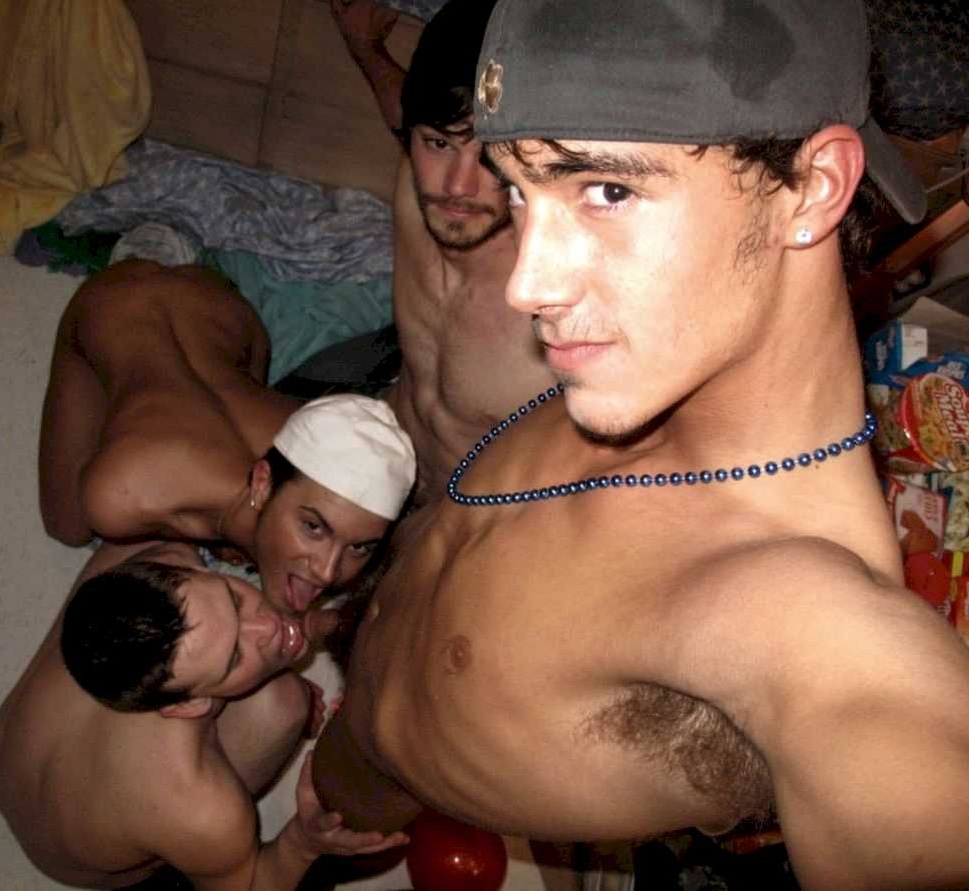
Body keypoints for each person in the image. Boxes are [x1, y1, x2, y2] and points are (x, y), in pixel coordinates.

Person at [310, 1, 969, 888]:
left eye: (607, 191)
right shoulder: (650, 356)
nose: (526, 285)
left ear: (811, 189)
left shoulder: (809, 613)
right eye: (520, 189)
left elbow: (898, 752)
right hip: (365, 650)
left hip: (380, 775)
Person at [0, 539, 408, 890]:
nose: (267, 627)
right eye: (234, 656)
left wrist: (307, 627)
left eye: (235, 600)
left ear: (190, 568)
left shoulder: (156, 552)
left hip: (7, 759)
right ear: (188, 706)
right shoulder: (196, 806)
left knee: (124, 547)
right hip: (75, 858)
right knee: (283, 704)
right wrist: (302, 843)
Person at [38, 258, 416, 615]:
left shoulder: (311, 431)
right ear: (262, 483)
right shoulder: (122, 494)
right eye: (313, 527)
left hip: (224, 308)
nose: (327, 572)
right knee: (68, 527)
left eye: (359, 547)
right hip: (115, 299)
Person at [321, 0, 555, 503]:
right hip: (383, 434)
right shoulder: (419, 173)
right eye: (438, 144)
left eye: (489, 157)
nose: (456, 186)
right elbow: (406, 108)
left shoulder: (555, 296)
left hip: (466, 516)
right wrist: (365, 48)